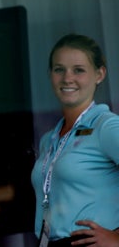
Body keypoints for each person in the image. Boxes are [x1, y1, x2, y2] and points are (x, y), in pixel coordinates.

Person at [31, 34, 119, 247]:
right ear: (50, 74)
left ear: (99, 74)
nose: (67, 78)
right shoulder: (49, 139)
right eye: (59, 69)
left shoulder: (106, 126)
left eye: (78, 70)